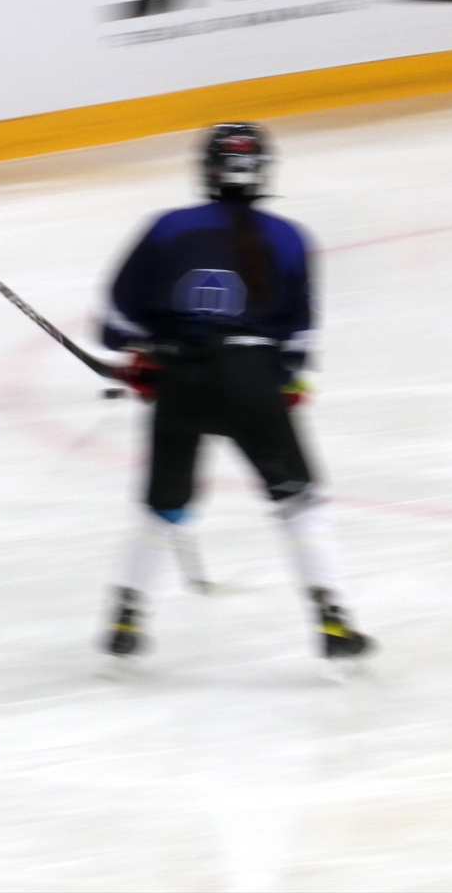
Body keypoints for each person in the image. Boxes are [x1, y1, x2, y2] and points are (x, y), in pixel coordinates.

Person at [100, 122, 374, 665]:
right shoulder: (291, 237)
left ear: (205, 171)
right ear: (263, 175)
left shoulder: (163, 229)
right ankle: (333, 620)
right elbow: (299, 339)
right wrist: (288, 384)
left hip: (180, 380)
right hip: (252, 379)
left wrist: (144, 357)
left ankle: (126, 617)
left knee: (164, 507)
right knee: (298, 501)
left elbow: (115, 321)